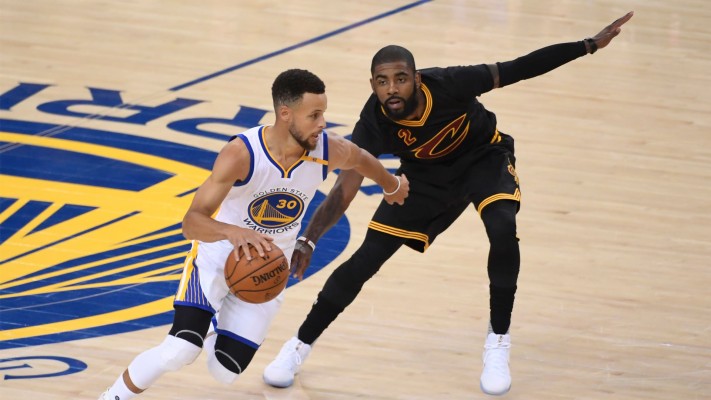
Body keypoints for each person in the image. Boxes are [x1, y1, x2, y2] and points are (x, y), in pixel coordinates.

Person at [263, 12, 634, 396]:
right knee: (365, 259)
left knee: (502, 228)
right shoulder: (373, 121)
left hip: (483, 159)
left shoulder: (451, 82)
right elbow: (345, 188)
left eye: (401, 78)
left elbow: (520, 67)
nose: (392, 89)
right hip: (423, 179)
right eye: (382, 81)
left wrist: (588, 45)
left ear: (417, 78)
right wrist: (309, 239)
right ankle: (298, 346)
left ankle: (498, 341)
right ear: (372, 85)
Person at [98, 68, 409, 400]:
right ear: (285, 114)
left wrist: (391, 184)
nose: (322, 123)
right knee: (180, 351)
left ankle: (213, 324)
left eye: (323, 114)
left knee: (226, 371)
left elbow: (361, 159)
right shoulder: (242, 154)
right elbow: (191, 223)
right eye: (314, 115)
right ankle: (113, 395)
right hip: (216, 260)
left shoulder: (327, 150)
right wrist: (232, 232)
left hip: (268, 269)